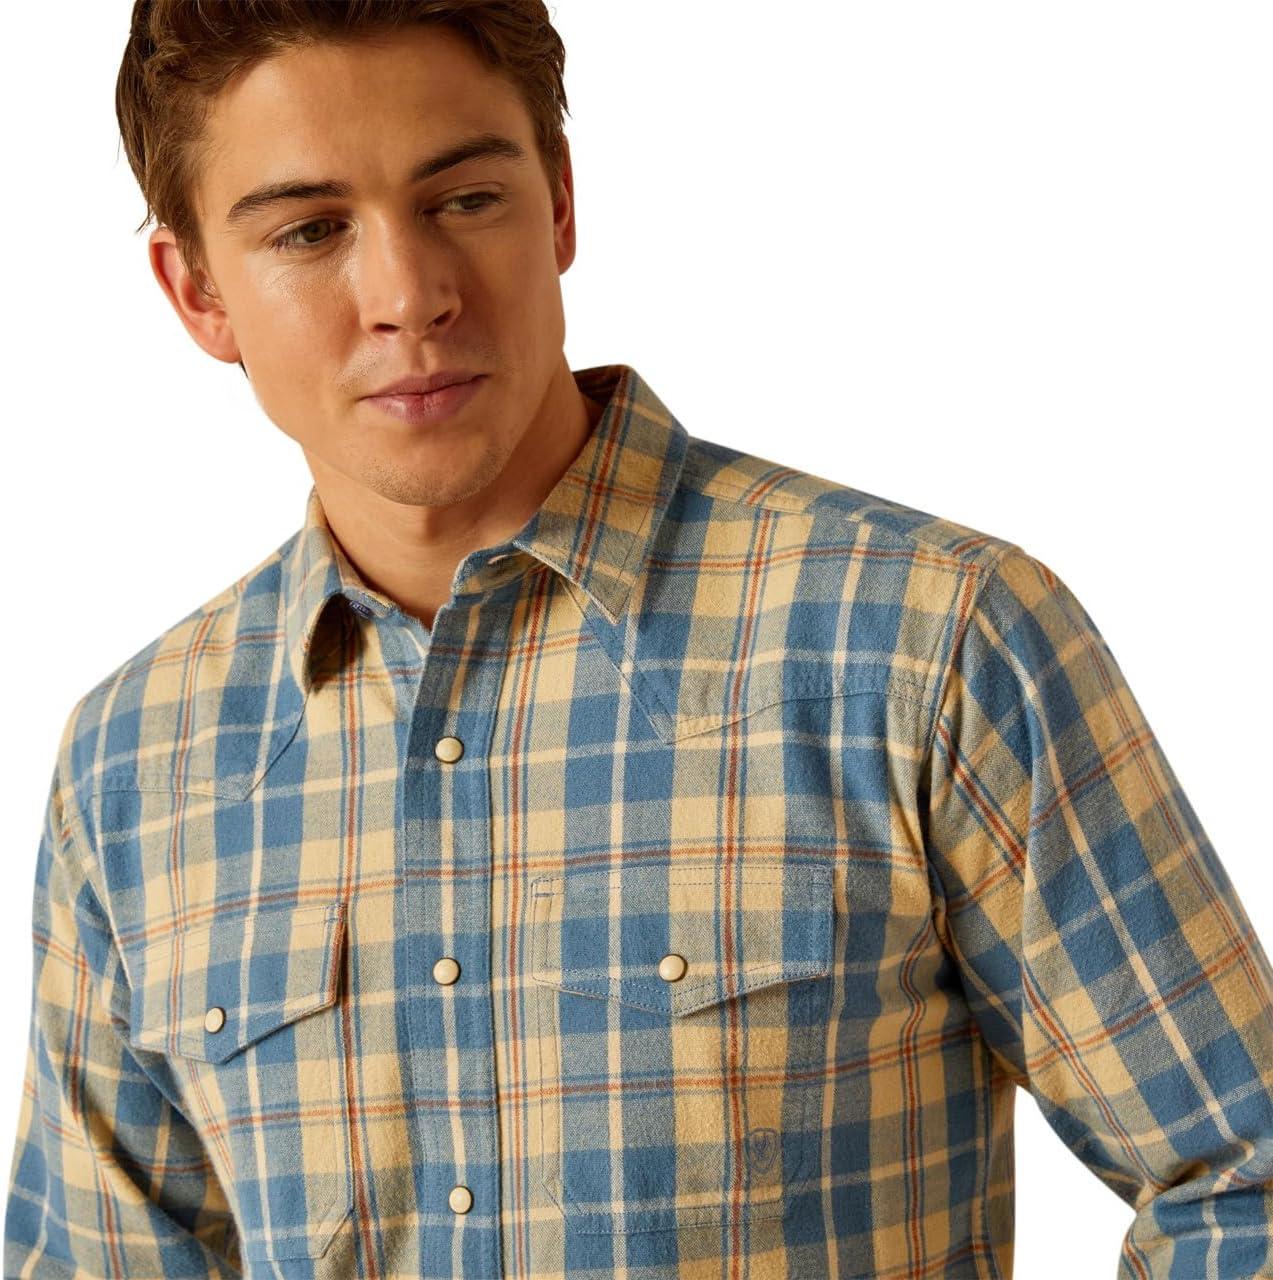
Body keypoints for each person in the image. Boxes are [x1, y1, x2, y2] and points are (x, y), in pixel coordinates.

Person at [5, 2, 1271, 1276]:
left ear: (558, 202)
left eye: (464, 200)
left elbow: (1239, 1174)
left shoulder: (922, 643)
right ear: (197, 290)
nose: (409, 295)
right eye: (310, 230)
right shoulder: (134, 763)